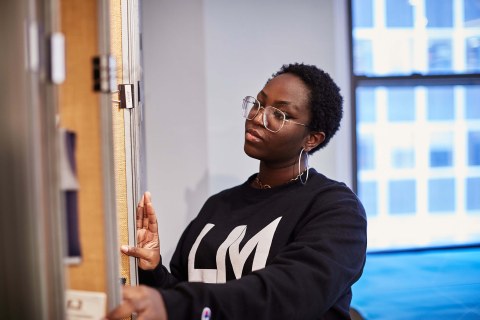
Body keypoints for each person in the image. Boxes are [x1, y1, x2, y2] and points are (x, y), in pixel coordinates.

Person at [106, 63, 367, 320]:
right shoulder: (219, 205)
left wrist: (175, 304)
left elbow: (287, 295)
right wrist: (153, 271)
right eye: (259, 103)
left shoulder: (336, 208)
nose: (257, 117)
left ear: (312, 139)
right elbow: (186, 293)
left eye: (279, 114)